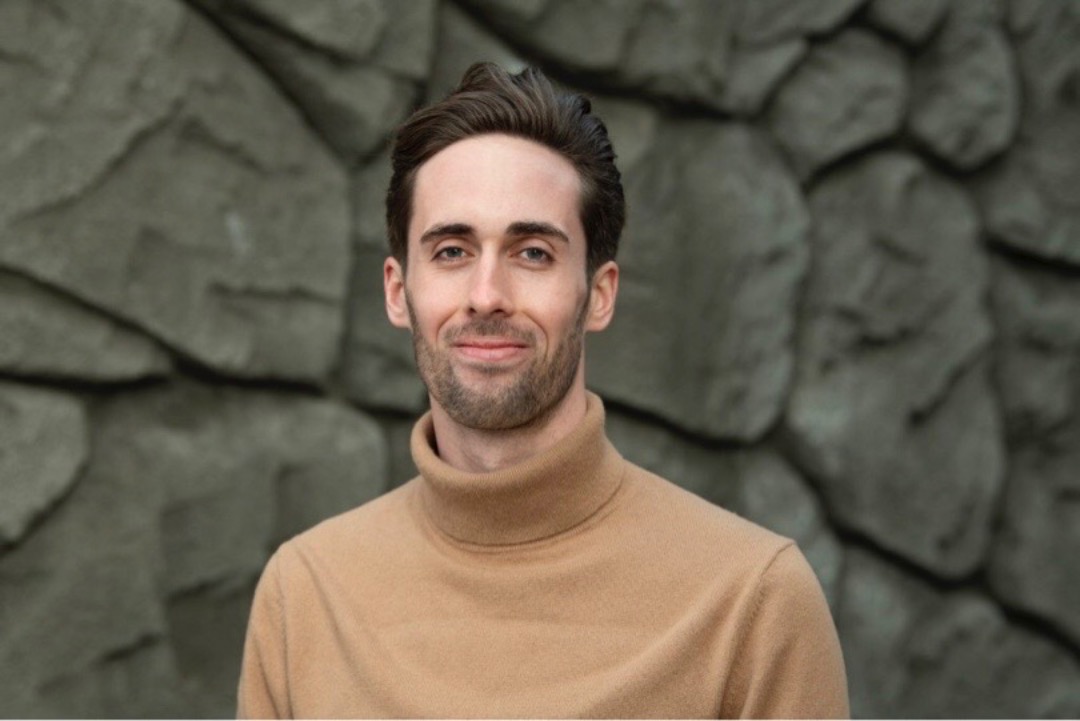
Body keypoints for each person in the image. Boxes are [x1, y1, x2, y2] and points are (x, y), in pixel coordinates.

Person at [237, 62, 849, 719]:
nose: (486, 296)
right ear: (396, 290)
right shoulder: (304, 595)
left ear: (599, 294)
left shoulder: (752, 602)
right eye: (451, 251)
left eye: (532, 252)